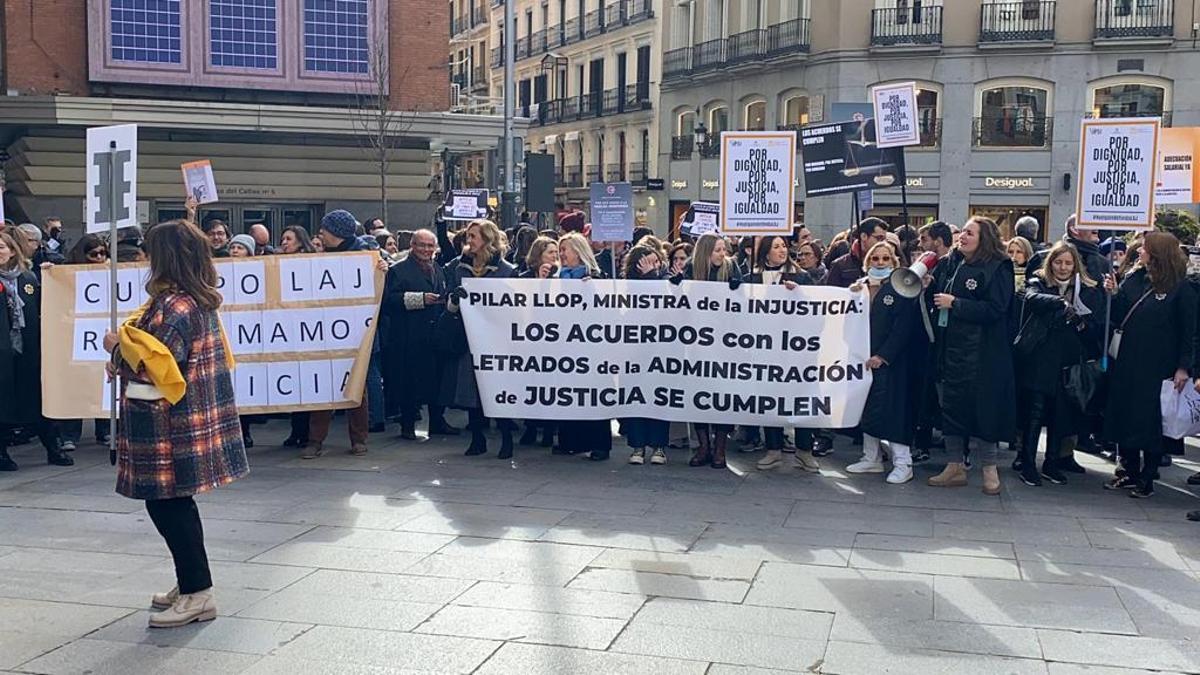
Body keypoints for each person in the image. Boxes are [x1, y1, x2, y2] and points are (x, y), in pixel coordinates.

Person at [102, 219, 247, 628]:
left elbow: (158, 369)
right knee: (173, 502)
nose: (146, 258)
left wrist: (116, 351)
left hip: (168, 421)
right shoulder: (192, 299)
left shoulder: (173, 306)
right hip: (183, 417)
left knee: (168, 503)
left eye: (151, 250)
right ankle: (190, 583)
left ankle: (198, 590)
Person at [926, 216, 1016, 495]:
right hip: (951, 350)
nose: (962, 237)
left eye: (969, 233)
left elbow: (996, 309)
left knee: (985, 412)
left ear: (984, 238)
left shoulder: (998, 267)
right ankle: (955, 466)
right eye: (962, 232)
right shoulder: (950, 263)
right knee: (952, 408)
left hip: (983, 354)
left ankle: (989, 470)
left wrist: (958, 304)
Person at [1102, 231, 1196, 498]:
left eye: (1145, 248)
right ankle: (1128, 470)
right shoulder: (1135, 278)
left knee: (1151, 421)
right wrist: (1115, 292)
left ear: (1158, 253)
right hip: (1129, 361)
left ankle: (1147, 475)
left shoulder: (1181, 289)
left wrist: (1183, 367)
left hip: (1159, 367)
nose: (1140, 251)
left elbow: (1189, 332)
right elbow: (1120, 314)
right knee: (1125, 416)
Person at [1012, 242, 1104, 487]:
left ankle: (1052, 463)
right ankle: (1028, 463)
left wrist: (1081, 322)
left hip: (1068, 360)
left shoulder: (1088, 289)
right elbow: (1031, 298)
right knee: (1034, 412)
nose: (1063, 267)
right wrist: (1060, 302)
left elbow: (1096, 327)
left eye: (1068, 263)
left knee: (1060, 414)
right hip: (1040, 359)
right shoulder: (1039, 282)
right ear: (1050, 263)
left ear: (1076, 265)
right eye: (1058, 262)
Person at [302, 210, 386, 458]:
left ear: (336, 232)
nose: (320, 234)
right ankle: (315, 439)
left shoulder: (365, 256)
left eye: (324, 230)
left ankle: (358, 438)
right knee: (323, 388)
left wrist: (382, 269)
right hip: (326, 332)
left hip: (356, 333)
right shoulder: (320, 257)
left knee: (357, 387)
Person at [845, 241, 923, 484]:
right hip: (863, 359)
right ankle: (872, 457)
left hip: (892, 362)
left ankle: (903, 462)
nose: (880, 263)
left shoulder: (901, 288)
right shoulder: (860, 287)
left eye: (885, 259)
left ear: (894, 261)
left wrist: (884, 355)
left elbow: (903, 328)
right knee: (867, 407)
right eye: (875, 259)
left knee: (893, 410)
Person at [443, 219, 518, 458]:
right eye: (468, 237)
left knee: (497, 389)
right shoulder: (459, 268)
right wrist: (454, 300)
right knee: (471, 391)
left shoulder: (507, 271)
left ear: (487, 239)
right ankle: (477, 438)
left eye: (473, 236)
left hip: (497, 341)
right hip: (469, 339)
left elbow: (515, 308)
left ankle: (506, 438)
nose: (469, 241)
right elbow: (450, 307)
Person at [746, 235, 820, 474]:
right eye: (776, 246)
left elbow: (817, 309)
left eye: (784, 246)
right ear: (765, 252)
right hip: (766, 351)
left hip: (796, 352)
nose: (782, 250)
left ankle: (804, 451)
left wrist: (799, 294)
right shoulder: (753, 278)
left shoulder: (801, 276)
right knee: (770, 399)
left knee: (801, 399)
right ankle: (773, 449)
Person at [0, 231, 72, 471]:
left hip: (30, 349)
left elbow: (48, 305)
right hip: (3, 353)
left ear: (12, 251)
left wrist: (54, 277)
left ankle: (53, 447)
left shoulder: (28, 278)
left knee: (38, 399)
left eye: (2, 247)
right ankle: (2, 453)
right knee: (4, 401)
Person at [672, 232, 741, 469]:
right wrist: (676, 287)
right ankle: (703, 446)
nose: (723, 254)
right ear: (706, 252)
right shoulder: (691, 269)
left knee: (722, 396)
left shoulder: (732, 269)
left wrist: (737, 290)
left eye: (724, 249)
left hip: (725, 345)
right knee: (698, 395)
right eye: (718, 250)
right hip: (697, 345)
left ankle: (720, 448)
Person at [382, 229, 458, 440]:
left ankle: (437, 421)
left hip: (434, 335)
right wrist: (420, 299)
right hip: (408, 335)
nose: (426, 250)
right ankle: (407, 425)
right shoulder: (397, 270)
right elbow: (389, 301)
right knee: (408, 382)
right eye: (422, 245)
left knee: (436, 380)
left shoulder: (438, 269)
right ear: (412, 246)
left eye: (430, 246)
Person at [555, 232, 613, 460]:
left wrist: (595, 288)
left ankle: (599, 444)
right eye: (560, 250)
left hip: (593, 349)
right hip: (565, 346)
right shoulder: (557, 277)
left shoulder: (597, 277)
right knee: (568, 393)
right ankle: (571, 441)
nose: (561, 255)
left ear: (579, 252)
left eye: (565, 250)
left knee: (594, 394)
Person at [58, 235, 113, 451]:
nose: (99, 258)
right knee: (77, 384)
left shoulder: (112, 273)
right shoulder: (68, 273)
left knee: (103, 382)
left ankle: (105, 430)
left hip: (101, 335)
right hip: (78, 335)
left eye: (103, 253)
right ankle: (69, 433)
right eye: (94, 254)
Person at [623, 245, 671, 465]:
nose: (655, 266)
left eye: (657, 262)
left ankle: (659, 446)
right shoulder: (626, 284)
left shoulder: (667, 281)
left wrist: (653, 277)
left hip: (660, 350)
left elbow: (667, 304)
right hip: (633, 350)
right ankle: (638, 445)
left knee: (659, 395)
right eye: (649, 262)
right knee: (635, 395)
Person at [516, 236, 560, 449]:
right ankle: (531, 427)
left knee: (550, 385)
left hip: (553, 340)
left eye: (556, 253)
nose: (555, 256)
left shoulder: (562, 277)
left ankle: (549, 431)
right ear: (538, 255)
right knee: (531, 384)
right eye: (550, 252)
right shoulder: (523, 276)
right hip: (529, 339)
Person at [827, 218, 889, 288]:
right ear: (863, 236)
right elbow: (831, 294)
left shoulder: (889, 262)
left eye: (884, 239)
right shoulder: (840, 265)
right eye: (879, 238)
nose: (882, 243)